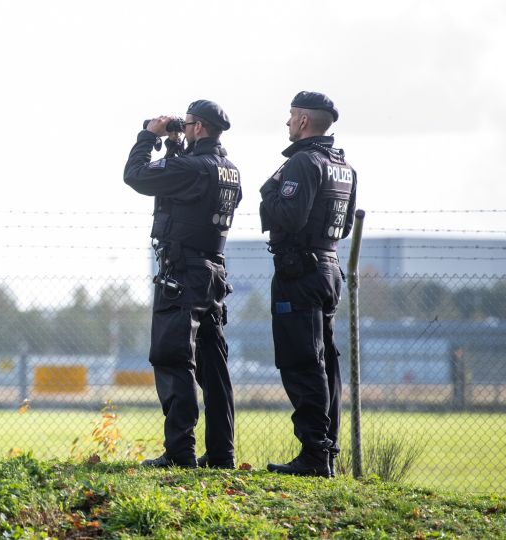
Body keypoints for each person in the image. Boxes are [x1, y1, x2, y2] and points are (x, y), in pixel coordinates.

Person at [123, 100, 242, 469]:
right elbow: (183, 193)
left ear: (200, 128)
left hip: (182, 274)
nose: (184, 128)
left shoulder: (191, 168)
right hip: (212, 274)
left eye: (187, 124)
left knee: (173, 357)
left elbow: (136, 175)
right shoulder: (229, 170)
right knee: (213, 365)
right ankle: (222, 454)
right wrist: (175, 144)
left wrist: (150, 135)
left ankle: (180, 451)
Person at [259, 91, 358, 477]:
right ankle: (326, 451)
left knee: (302, 362)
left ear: (303, 121)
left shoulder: (303, 162)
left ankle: (314, 454)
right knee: (325, 362)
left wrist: (269, 192)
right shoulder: (344, 167)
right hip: (329, 269)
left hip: (299, 274)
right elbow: (345, 226)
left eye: (290, 117)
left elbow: (290, 217)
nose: (286, 123)